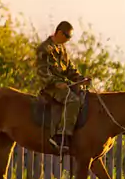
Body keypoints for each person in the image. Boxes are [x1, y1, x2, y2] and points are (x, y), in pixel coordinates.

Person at [35, 21, 88, 152]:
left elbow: (70, 69)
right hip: (51, 87)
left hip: (64, 85)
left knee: (83, 96)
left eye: (70, 37)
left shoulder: (62, 49)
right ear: (59, 32)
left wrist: (81, 79)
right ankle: (61, 136)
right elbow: (42, 71)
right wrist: (55, 83)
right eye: (67, 36)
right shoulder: (44, 49)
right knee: (73, 100)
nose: (68, 40)